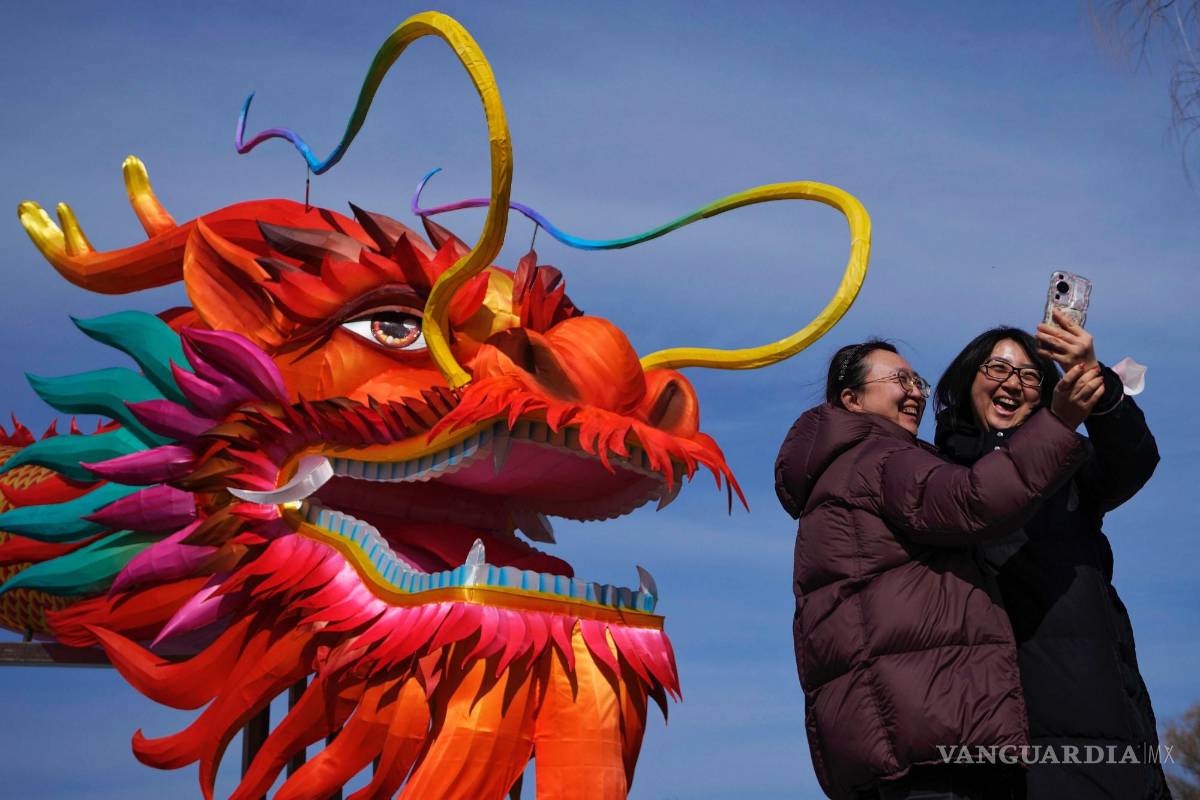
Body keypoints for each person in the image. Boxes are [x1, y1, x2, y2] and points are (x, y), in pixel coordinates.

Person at [774, 339, 1102, 800]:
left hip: (885, 740)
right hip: (934, 734)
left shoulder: (832, 478)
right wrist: (1059, 423)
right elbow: (973, 501)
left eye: (918, 382)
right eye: (899, 380)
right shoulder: (879, 458)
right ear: (852, 400)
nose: (915, 392)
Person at [933, 310, 1170, 799]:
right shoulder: (935, 475)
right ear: (966, 380)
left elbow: (1134, 460)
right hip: (989, 731)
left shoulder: (1069, 466)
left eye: (1028, 376)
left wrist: (1092, 378)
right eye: (997, 368)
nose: (1012, 384)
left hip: (1099, 712)